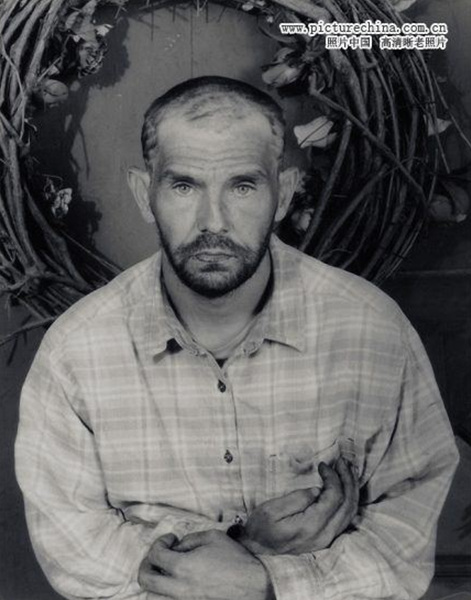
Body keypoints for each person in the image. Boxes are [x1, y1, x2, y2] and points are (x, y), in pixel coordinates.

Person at [15, 76, 459, 600]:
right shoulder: (76, 351)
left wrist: (265, 583)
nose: (214, 221)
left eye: (243, 186)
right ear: (144, 193)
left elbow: (403, 545)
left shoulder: (371, 330)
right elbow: (74, 550)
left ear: (283, 194)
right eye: (184, 186)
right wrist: (249, 549)